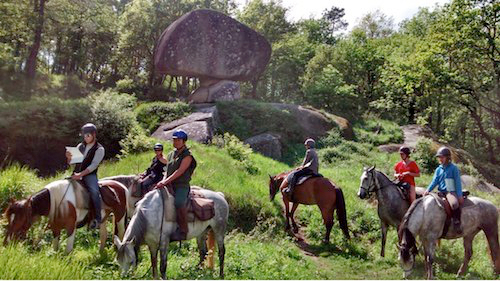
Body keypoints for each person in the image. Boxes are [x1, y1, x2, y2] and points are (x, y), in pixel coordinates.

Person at [155, 129, 197, 241]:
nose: (175, 142)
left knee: (178, 202)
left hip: (181, 185)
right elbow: (168, 171)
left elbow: (179, 171)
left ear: (184, 141)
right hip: (169, 184)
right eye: (174, 140)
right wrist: (162, 181)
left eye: (178, 140)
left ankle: (184, 230)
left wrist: (165, 181)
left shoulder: (188, 156)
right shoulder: (170, 154)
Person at [66, 123, 105, 229]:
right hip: (76, 173)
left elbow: (93, 166)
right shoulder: (80, 146)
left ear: (93, 135)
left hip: (89, 175)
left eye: (88, 135)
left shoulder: (99, 149)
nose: (86, 138)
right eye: (84, 135)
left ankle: (97, 218)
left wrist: (81, 175)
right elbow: (73, 162)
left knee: (94, 192)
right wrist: (69, 158)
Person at [424, 146, 463, 233]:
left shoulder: (454, 168)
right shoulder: (438, 169)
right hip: (440, 192)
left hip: (450, 192)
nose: (440, 159)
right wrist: (428, 190)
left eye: (442, 157)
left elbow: (457, 182)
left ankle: (457, 222)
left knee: (454, 204)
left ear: (448, 157)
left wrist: (459, 195)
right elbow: (435, 181)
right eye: (439, 157)